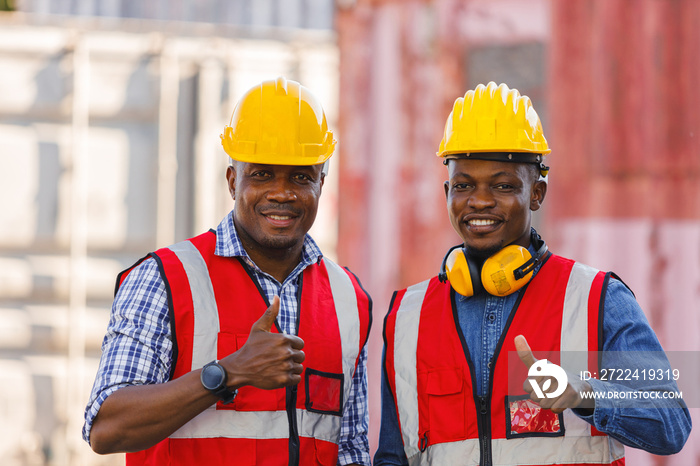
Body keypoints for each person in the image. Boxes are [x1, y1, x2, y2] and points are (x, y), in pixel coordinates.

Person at [374, 82, 691, 465]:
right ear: (447, 193)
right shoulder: (406, 316)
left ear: (537, 193)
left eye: (503, 185)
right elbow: (393, 456)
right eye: (463, 185)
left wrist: (584, 394)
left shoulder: (597, 298)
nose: (480, 201)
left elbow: (672, 423)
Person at [83, 76, 372, 466]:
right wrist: (228, 372)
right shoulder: (166, 279)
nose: (282, 193)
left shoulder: (349, 299)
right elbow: (107, 427)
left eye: (301, 177)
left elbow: (351, 450)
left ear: (322, 182)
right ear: (233, 181)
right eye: (262, 174)